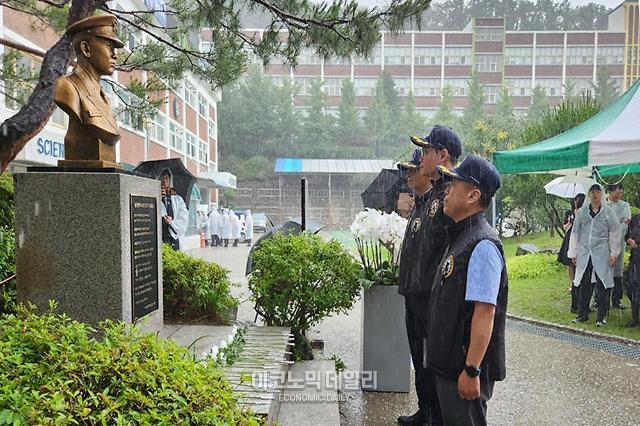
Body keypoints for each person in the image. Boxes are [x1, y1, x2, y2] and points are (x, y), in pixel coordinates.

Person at [427, 155, 507, 425]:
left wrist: (472, 369)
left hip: (464, 370)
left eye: (454, 183)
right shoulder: (461, 236)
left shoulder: (482, 245)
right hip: (448, 367)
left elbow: (485, 311)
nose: (446, 189)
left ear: (473, 195)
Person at [397, 125, 462, 426]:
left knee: (431, 361)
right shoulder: (427, 199)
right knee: (419, 359)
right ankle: (426, 412)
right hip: (414, 293)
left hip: (431, 297)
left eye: (426, 151)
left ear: (443, 154)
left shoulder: (449, 195)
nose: (421, 158)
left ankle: (436, 417)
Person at [53, 15, 123, 167]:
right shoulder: (67, 87)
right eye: (108, 45)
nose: (115, 55)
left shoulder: (103, 96)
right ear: (86, 49)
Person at [568, 184, 621, 327]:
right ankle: (582, 314)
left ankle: (601, 316)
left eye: (598, 192)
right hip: (585, 253)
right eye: (593, 192)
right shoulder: (582, 212)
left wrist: (614, 253)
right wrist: (573, 252)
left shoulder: (608, 212)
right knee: (584, 284)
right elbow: (575, 233)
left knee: (602, 284)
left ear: (602, 194)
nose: (595, 195)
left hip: (602, 253)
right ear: (589, 194)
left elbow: (615, 233)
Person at [557, 193, 586, 313]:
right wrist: (570, 221)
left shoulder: (585, 212)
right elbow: (565, 227)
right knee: (570, 264)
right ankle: (572, 285)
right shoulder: (569, 213)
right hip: (570, 240)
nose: (576, 202)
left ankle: (579, 295)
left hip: (581, 241)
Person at [606, 183, 631, 310]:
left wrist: (615, 232)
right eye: (616, 193)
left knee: (617, 271)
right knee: (603, 270)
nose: (619, 195)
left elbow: (626, 223)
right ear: (610, 192)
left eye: (621, 193)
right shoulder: (603, 204)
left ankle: (616, 300)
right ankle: (599, 300)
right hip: (604, 243)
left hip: (619, 242)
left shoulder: (624, 205)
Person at [159, 169, 189, 251]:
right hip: (158, 240)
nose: (164, 181)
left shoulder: (178, 200)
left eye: (166, 178)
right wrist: (157, 197)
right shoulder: (154, 198)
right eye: (161, 178)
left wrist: (172, 223)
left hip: (174, 241)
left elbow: (184, 222)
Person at [625, 197, 640, 328]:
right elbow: (627, 235)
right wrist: (629, 240)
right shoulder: (634, 219)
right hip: (635, 258)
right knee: (633, 286)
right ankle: (634, 318)